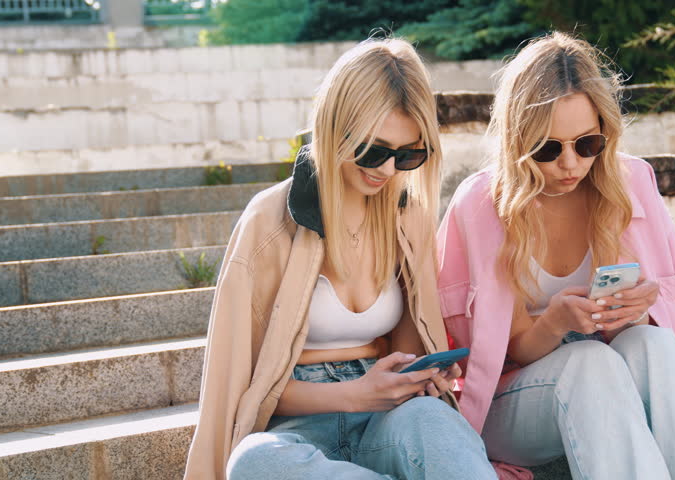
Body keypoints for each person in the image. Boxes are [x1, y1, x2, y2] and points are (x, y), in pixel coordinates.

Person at [182, 38, 496, 480]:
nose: (387, 170)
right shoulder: (268, 223)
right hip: (298, 426)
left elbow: (407, 346)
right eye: (373, 151)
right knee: (255, 462)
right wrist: (356, 394)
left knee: (436, 422)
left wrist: (416, 375)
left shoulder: (409, 216)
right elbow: (245, 387)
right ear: (335, 127)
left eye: (408, 155)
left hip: (387, 418)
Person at [436, 33, 675, 479]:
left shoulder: (628, 181)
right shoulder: (482, 203)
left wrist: (636, 312)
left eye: (587, 144)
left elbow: (662, 336)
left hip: (608, 380)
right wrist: (555, 322)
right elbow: (503, 352)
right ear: (518, 141)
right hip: (512, 401)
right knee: (587, 362)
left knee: (653, 342)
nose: (571, 164)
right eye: (548, 148)